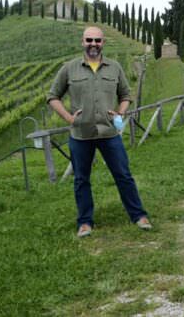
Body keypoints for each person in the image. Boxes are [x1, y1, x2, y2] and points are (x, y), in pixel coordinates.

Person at [47, 26, 151, 238]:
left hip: (109, 134)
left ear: (103, 43)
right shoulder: (69, 68)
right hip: (81, 135)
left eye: (97, 40)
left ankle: (139, 216)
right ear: (82, 42)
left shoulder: (115, 68)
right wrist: (68, 118)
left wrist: (120, 113)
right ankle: (85, 222)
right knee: (81, 180)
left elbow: (126, 94)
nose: (93, 44)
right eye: (89, 40)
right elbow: (52, 96)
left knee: (123, 175)